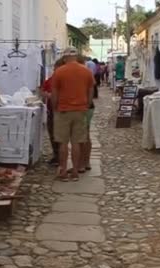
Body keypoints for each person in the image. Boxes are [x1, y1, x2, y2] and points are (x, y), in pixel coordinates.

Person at [52, 47, 95, 182]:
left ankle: (64, 171)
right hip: (80, 110)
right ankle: (75, 171)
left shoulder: (59, 72)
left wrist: (55, 108)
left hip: (63, 110)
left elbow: (55, 93)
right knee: (77, 142)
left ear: (65, 58)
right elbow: (91, 90)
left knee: (63, 143)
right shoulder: (86, 71)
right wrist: (86, 105)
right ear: (76, 57)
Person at [41, 58, 65, 165]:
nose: (55, 69)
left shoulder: (64, 80)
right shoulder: (50, 80)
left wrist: (51, 95)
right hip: (51, 110)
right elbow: (43, 91)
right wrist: (46, 95)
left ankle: (61, 158)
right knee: (52, 134)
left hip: (61, 111)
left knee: (59, 136)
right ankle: (56, 155)